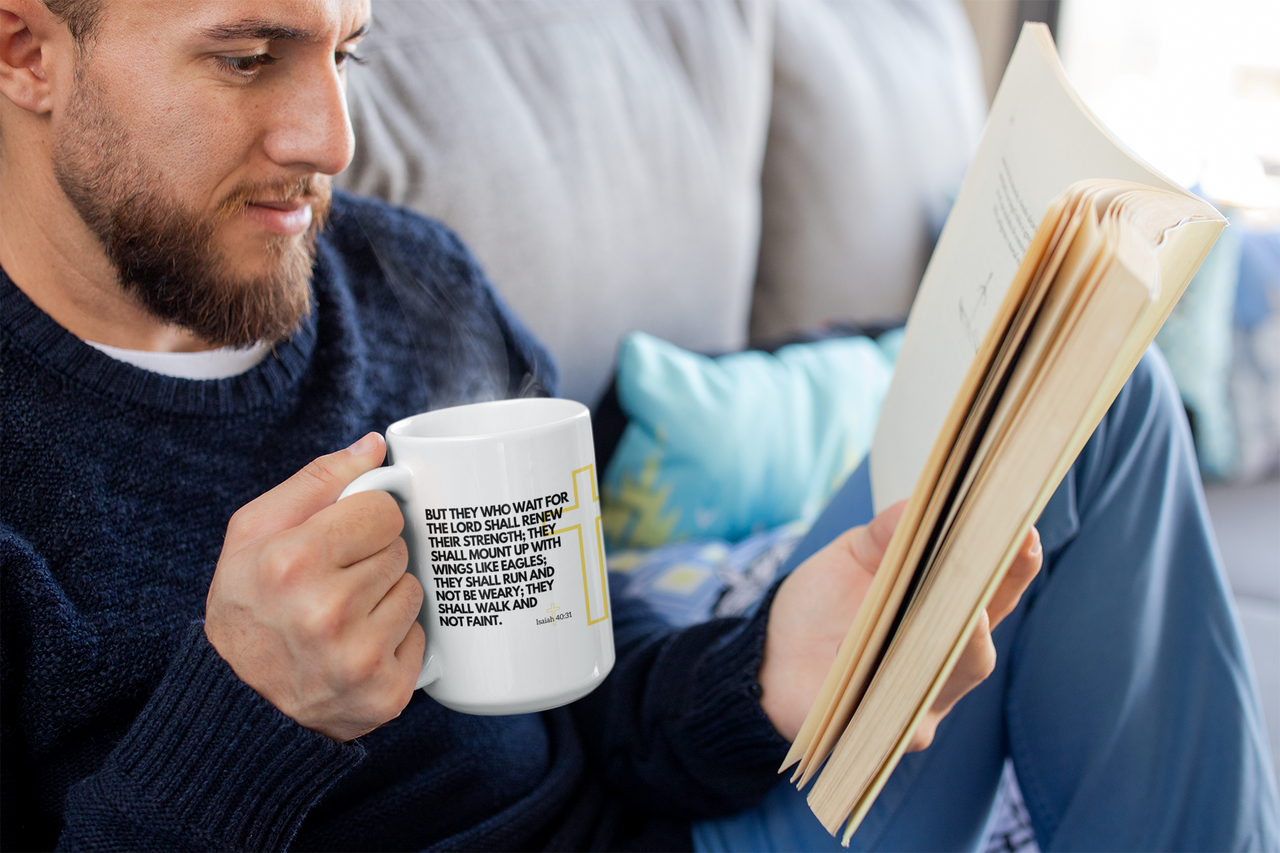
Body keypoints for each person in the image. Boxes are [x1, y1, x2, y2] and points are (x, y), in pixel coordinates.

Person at [0, 1, 1274, 851]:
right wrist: (247, 719)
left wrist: (759, 668)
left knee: (1094, 405)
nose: (330, 139)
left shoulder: (413, 287)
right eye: (245, 57)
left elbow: (595, 684)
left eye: (347, 54)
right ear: (26, 53)